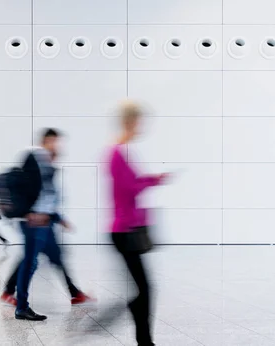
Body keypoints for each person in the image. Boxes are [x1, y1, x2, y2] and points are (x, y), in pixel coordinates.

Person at [108, 102, 168, 346]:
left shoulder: (123, 152)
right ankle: (144, 340)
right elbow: (129, 188)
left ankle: (144, 338)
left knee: (144, 288)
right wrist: (151, 182)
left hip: (128, 228)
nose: (141, 127)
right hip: (123, 231)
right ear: (130, 122)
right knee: (145, 289)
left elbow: (132, 183)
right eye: (139, 121)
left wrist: (154, 179)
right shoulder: (116, 153)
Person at [14, 129, 86, 321]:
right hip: (33, 222)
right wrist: (28, 212)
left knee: (55, 257)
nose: (57, 146)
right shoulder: (33, 158)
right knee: (30, 263)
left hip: (46, 221)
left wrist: (58, 217)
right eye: (53, 141)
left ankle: (74, 292)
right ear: (46, 141)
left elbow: (48, 193)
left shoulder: (47, 162)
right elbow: (24, 187)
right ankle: (21, 306)